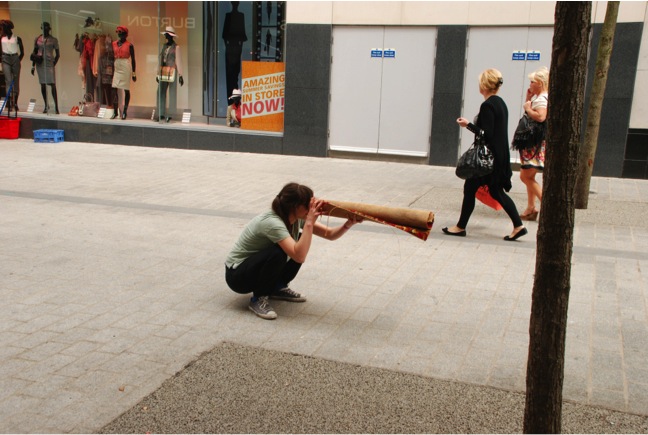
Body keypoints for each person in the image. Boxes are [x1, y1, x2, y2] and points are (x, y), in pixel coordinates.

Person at [225, 182, 362, 320]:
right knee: (280, 251)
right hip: (237, 276)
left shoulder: (295, 217)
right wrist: (309, 222)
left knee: (300, 239)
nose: (311, 208)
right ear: (293, 207)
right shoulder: (272, 222)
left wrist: (348, 223)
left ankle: (277, 287)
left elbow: (330, 234)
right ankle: (258, 298)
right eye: (307, 205)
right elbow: (299, 256)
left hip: (252, 268)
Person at [443, 68, 527, 241]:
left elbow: (486, 134)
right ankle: (518, 225)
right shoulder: (501, 103)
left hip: (488, 158)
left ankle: (460, 227)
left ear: (485, 85)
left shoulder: (488, 105)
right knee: (495, 191)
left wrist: (467, 125)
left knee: (472, 188)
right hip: (498, 155)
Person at [518, 67, 549, 221]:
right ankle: (531, 207)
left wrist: (528, 109)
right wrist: (528, 99)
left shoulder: (542, 98)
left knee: (526, 177)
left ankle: (546, 206)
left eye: (532, 82)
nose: (530, 84)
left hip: (533, 144)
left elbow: (541, 117)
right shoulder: (540, 97)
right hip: (534, 143)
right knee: (529, 175)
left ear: (540, 83)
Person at [156, 26, 184, 123]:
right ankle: (161, 113)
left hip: (172, 71)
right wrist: (157, 73)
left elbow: (179, 61)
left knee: (172, 93)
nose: (166, 36)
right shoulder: (164, 46)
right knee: (160, 92)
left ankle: (171, 114)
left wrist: (180, 75)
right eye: (166, 34)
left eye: (167, 34)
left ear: (171, 36)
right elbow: (160, 59)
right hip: (163, 71)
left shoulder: (176, 47)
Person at [31, 22, 60, 114]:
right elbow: (34, 52)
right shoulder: (38, 39)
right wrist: (33, 66)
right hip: (40, 63)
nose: (45, 30)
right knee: (43, 85)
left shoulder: (53, 40)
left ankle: (56, 107)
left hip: (49, 63)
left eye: (47, 28)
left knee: (52, 84)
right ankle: (46, 105)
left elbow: (58, 54)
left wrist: (53, 63)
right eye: (44, 28)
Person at [222, 1, 247, 103]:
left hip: (236, 47)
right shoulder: (229, 16)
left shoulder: (240, 16)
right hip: (232, 47)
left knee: (235, 74)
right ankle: (231, 101)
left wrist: (239, 46)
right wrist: (228, 45)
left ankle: (234, 100)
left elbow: (242, 35)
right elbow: (225, 34)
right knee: (230, 74)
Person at [111, 26, 136, 120]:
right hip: (117, 65)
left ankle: (125, 111)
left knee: (126, 88)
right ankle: (115, 110)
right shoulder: (114, 44)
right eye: (118, 33)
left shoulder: (130, 45)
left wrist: (134, 73)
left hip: (125, 65)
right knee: (114, 88)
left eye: (121, 33)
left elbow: (133, 59)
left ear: (126, 34)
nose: (119, 34)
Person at [0, 20, 24, 112]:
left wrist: (18, 59)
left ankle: (15, 103)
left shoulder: (17, 38)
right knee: (8, 80)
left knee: (16, 80)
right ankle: (9, 102)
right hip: (5, 58)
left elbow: (22, 52)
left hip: (15, 57)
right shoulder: (1, 38)